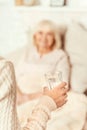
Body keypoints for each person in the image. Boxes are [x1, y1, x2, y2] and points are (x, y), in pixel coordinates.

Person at [0, 58, 68, 130]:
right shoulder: (4, 67)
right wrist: (48, 102)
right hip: (27, 94)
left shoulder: (61, 56)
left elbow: (64, 82)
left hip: (41, 91)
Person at [16, 20, 70, 105]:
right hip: (19, 97)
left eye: (49, 34)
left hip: (42, 98)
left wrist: (28, 97)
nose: (44, 38)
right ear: (34, 35)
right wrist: (20, 96)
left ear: (54, 37)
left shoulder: (60, 56)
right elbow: (14, 77)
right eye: (40, 33)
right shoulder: (27, 52)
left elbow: (62, 86)